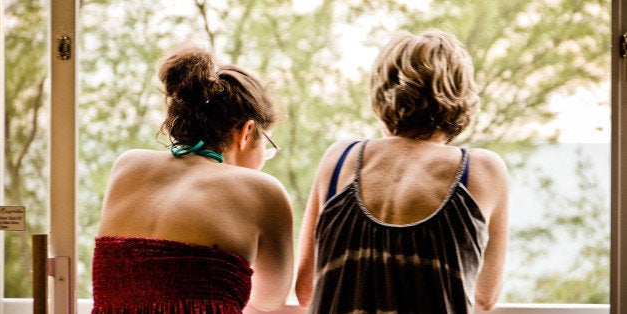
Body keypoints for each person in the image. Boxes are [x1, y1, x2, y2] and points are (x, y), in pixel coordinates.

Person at [295, 29, 509, 313]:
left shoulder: (339, 159)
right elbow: (485, 298)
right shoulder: (482, 170)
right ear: (461, 94)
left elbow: (306, 289)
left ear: (381, 91)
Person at [91, 45, 294, 313]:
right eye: (266, 143)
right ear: (247, 132)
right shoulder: (263, 191)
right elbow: (268, 301)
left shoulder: (127, 165)